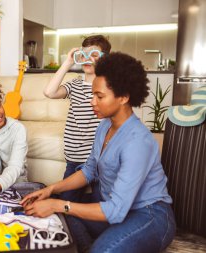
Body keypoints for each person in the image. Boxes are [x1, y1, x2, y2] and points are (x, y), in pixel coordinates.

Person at [21, 52, 176, 252]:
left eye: (99, 96)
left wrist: (57, 204)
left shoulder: (138, 141)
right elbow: (88, 171)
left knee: (65, 212)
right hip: (115, 209)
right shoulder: (104, 126)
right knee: (59, 216)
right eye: (92, 94)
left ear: (124, 97)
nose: (92, 101)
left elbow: (115, 211)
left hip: (149, 215)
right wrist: (51, 190)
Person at [43, 35, 111, 202]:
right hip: (73, 160)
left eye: (94, 54)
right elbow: (49, 92)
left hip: (96, 161)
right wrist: (68, 63)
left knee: (100, 203)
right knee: (66, 201)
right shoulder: (74, 85)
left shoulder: (107, 88)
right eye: (84, 54)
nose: (88, 58)